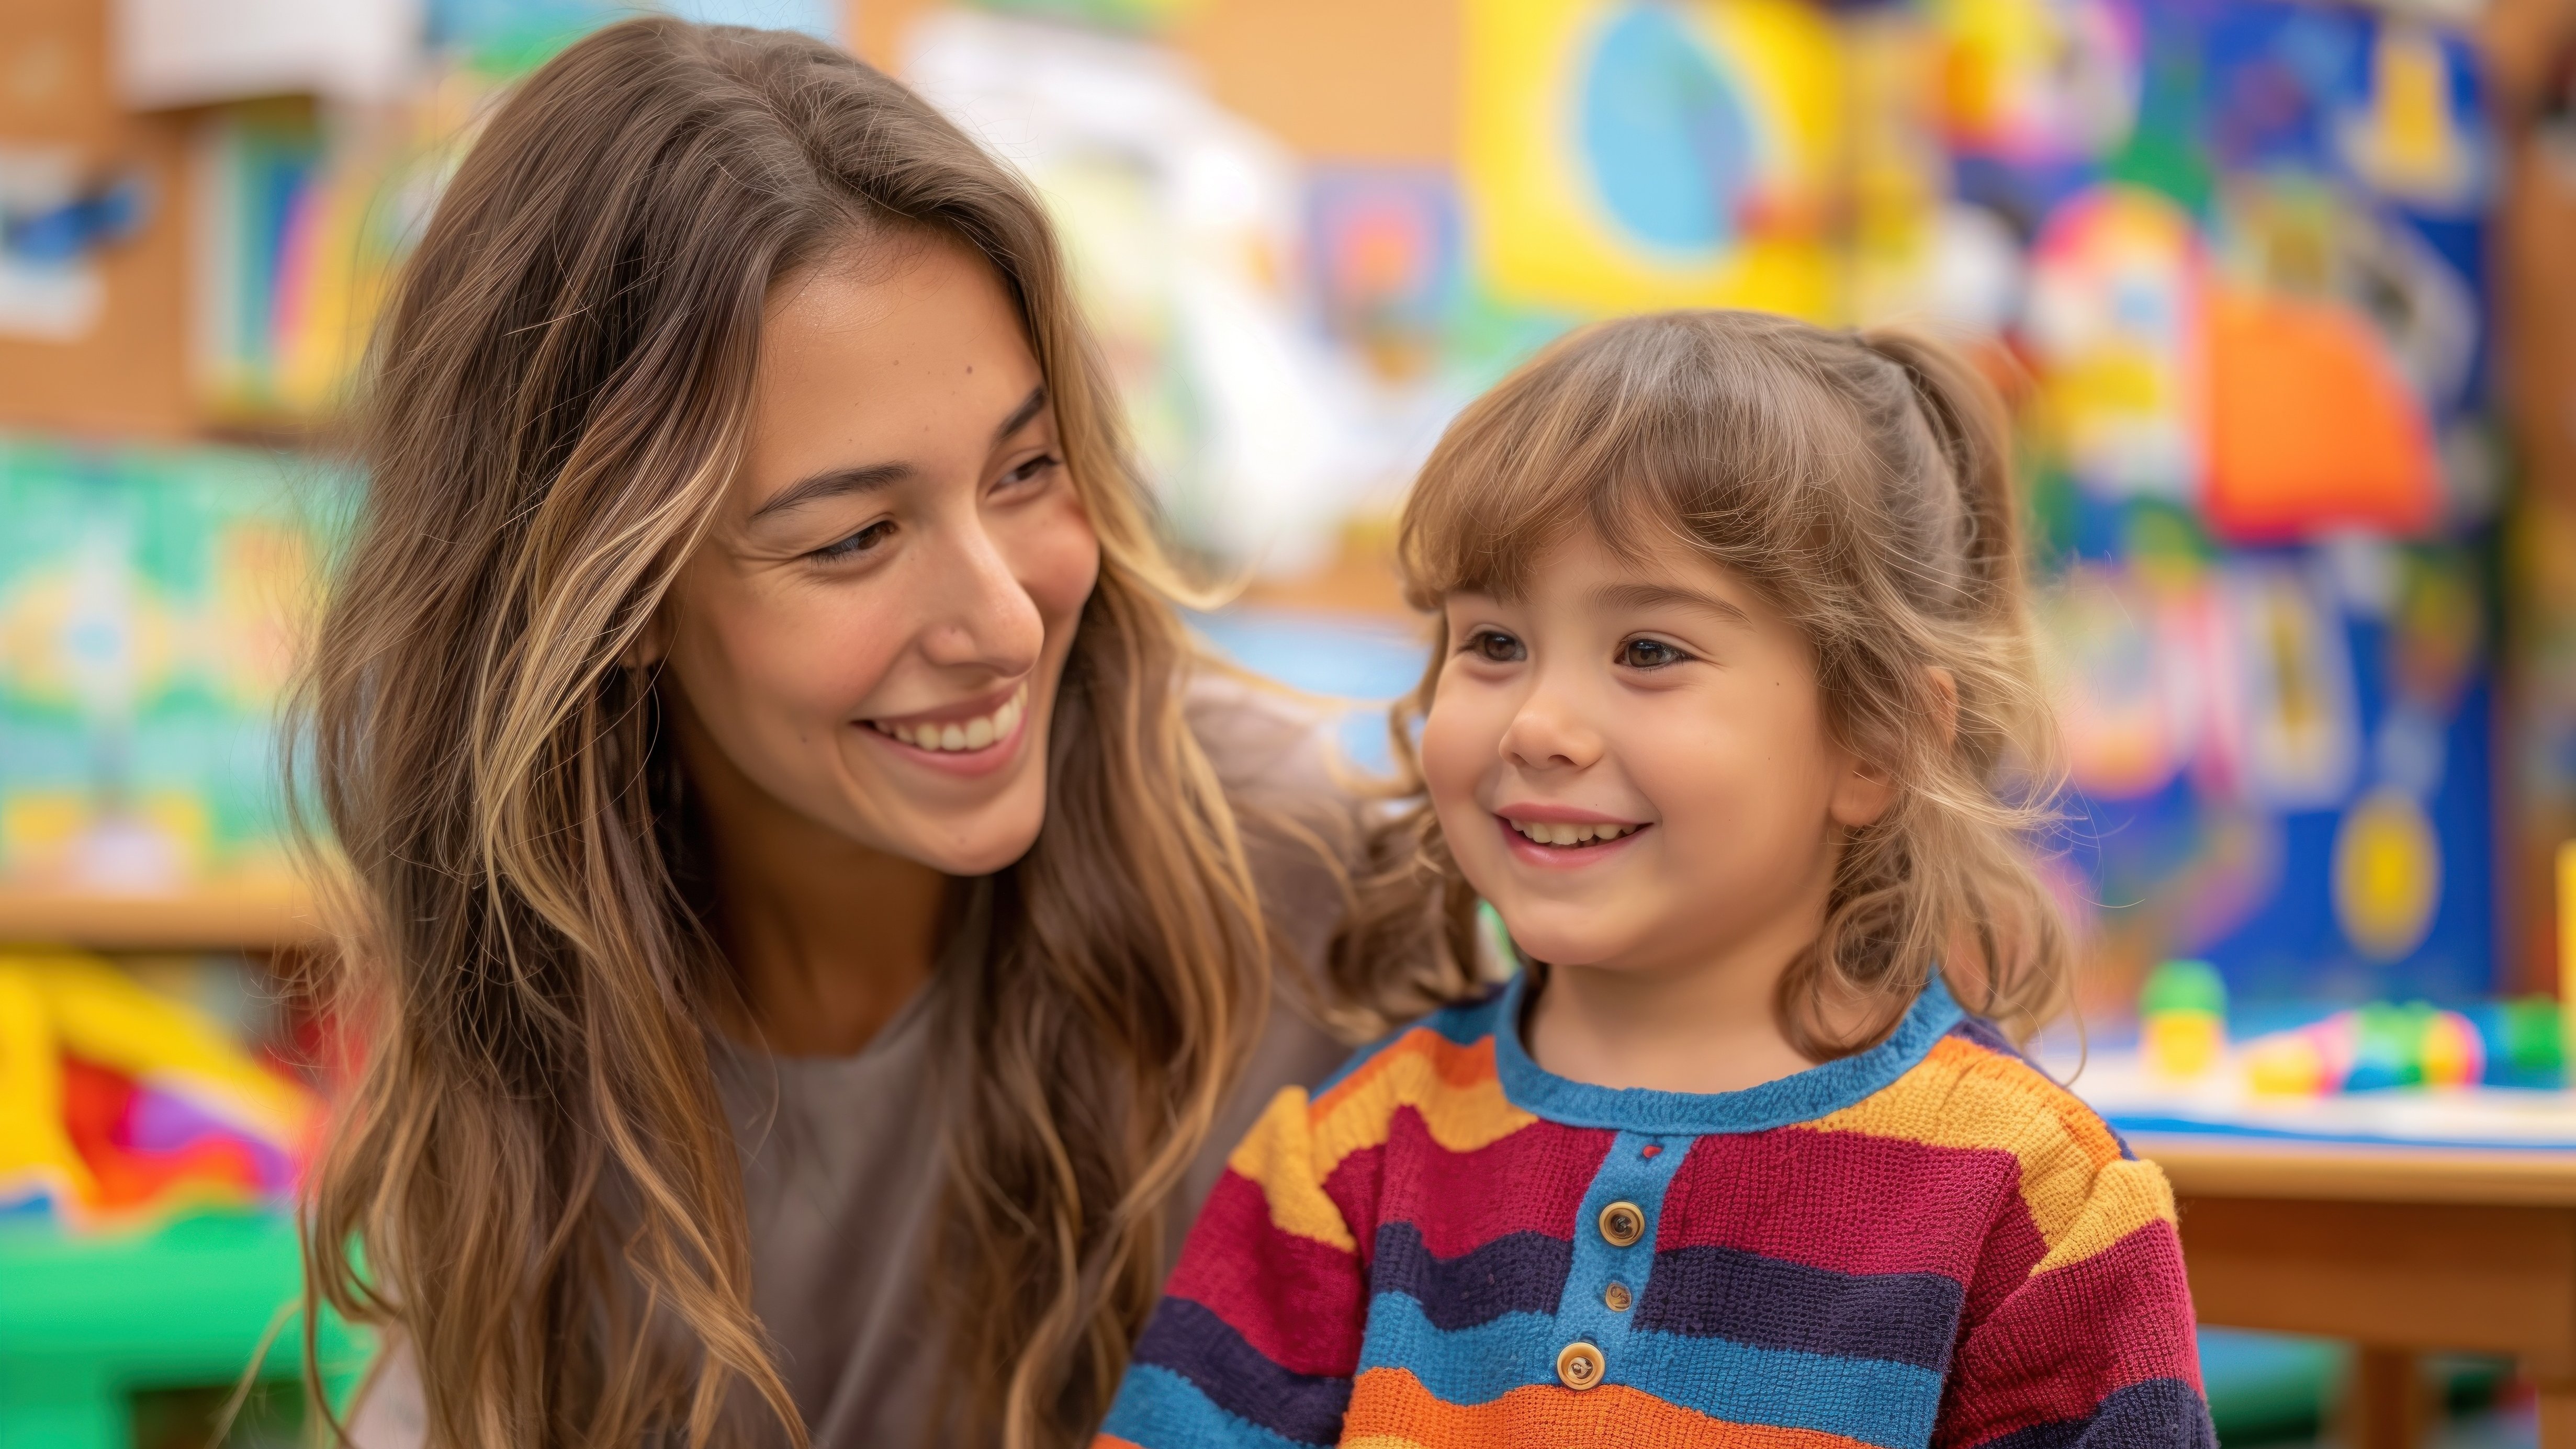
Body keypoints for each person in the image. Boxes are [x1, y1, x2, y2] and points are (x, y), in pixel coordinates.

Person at [291, 19, 1464, 1449]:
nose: (1005, 620)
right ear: (613, 595)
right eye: (852, 538)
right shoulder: (537, 1005)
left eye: (1027, 469)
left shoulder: (1308, 887)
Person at [1095, 311, 2213, 1449]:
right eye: (1490, 642)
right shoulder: (1339, 1166)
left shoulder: (2039, 1207)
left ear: (1874, 741)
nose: (1536, 724)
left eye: (1646, 651)